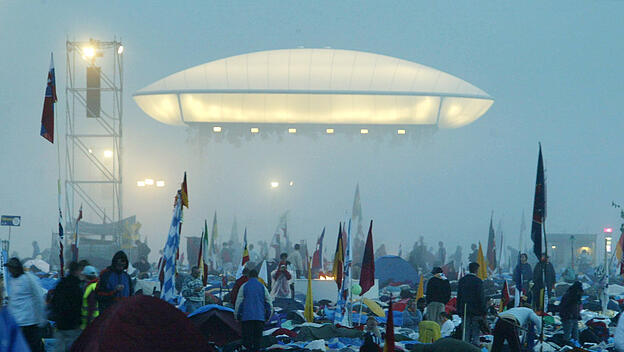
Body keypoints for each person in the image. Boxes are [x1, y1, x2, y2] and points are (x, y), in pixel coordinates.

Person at [4, 257, 46, 352]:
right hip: (16, 323)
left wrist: (41, 319)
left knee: (32, 348)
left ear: (16, 268)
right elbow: (13, 301)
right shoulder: (12, 280)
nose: (9, 270)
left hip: (29, 323)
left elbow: (39, 297)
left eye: (10, 268)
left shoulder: (29, 278)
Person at [235, 268, 273, 352]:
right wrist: (268, 316)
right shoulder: (262, 287)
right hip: (260, 318)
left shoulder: (244, 286)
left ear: (248, 276)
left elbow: (239, 303)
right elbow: (269, 303)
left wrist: (237, 316)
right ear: (257, 276)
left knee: (247, 342)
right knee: (257, 343)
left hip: (246, 318)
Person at [50, 261, 83, 351]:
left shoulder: (61, 284)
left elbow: (54, 302)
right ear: (77, 271)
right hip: (73, 324)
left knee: (59, 347)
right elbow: (79, 305)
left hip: (60, 323)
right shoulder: (78, 286)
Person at [457, 262, 486, 346]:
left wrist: (459, 309)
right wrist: (484, 311)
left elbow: (459, 296)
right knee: (475, 331)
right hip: (476, 311)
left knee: (465, 330)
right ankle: (475, 347)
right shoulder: (478, 281)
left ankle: (465, 346)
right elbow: (481, 297)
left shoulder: (462, 280)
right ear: (477, 270)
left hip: (464, 310)